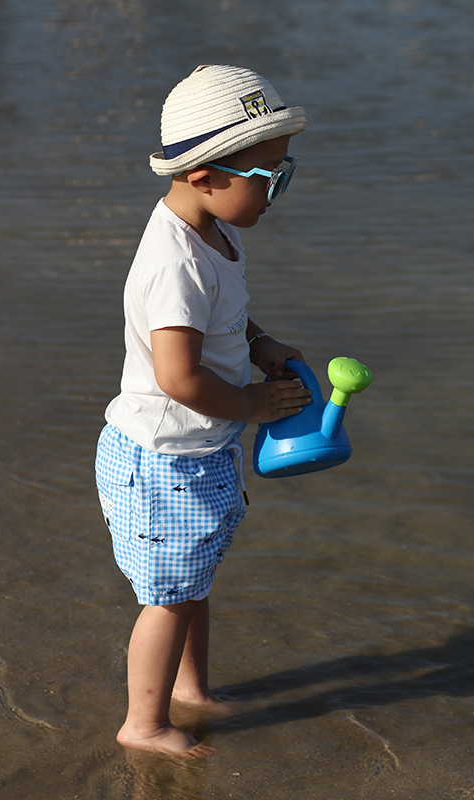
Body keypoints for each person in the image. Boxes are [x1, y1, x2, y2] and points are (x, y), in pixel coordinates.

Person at [95, 64, 310, 759]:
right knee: (167, 596)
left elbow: (224, 318)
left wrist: (259, 343)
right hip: (159, 460)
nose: (279, 190)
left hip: (196, 449)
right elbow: (178, 374)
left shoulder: (217, 235)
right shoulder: (174, 263)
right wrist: (250, 403)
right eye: (267, 177)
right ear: (203, 175)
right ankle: (143, 723)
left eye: (284, 171)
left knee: (195, 580)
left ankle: (191, 692)